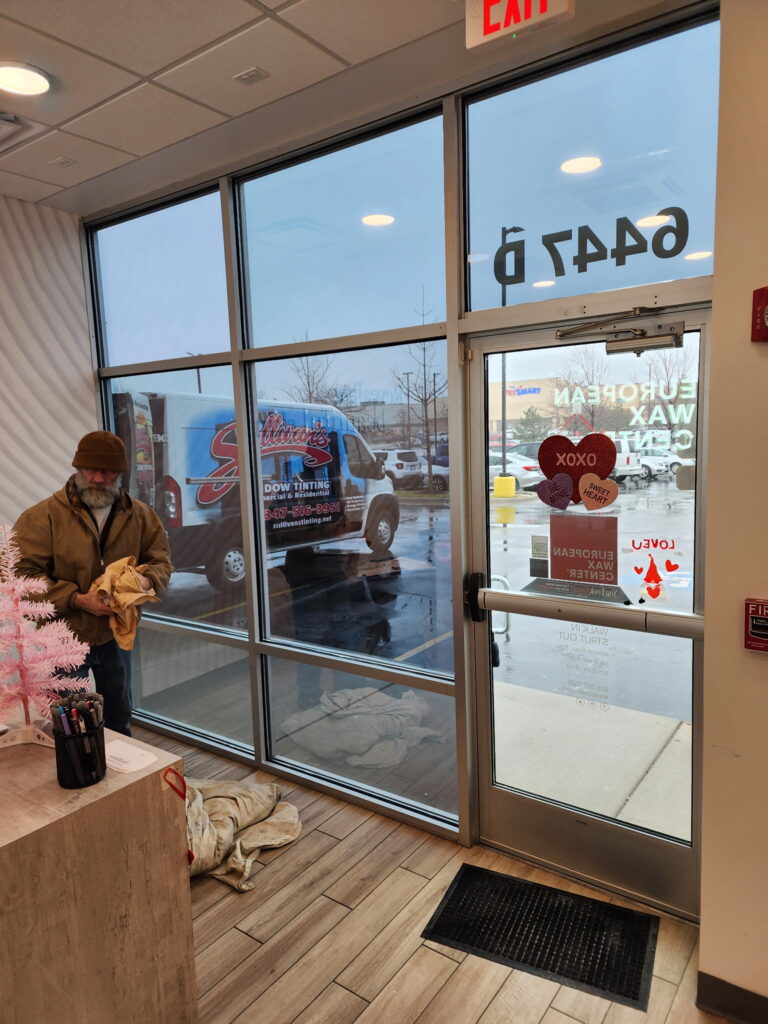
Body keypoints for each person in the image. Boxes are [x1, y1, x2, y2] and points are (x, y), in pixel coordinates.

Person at [13, 430, 172, 735]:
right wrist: (76, 598)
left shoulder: (141, 517)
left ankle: (122, 778)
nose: (98, 478)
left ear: (120, 473)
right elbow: (20, 577)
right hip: (62, 638)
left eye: (107, 471)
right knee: (68, 724)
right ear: (77, 468)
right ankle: (78, 776)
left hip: (117, 634)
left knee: (119, 714)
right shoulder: (41, 517)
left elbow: (162, 563)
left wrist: (145, 579)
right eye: (91, 470)